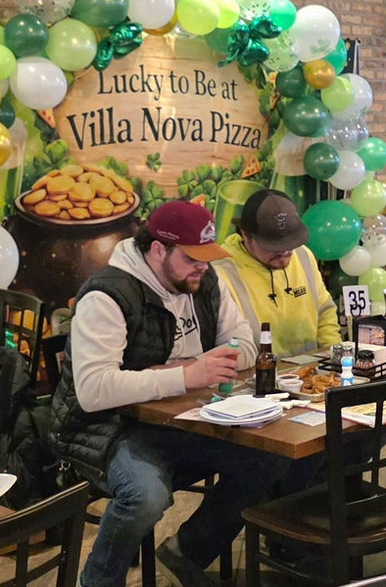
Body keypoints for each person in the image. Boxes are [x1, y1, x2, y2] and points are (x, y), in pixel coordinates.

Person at [51, 200, 288, 587]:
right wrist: (187, 374)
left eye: (208, 257)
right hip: (105, 428)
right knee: (145, 496)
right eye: (194, 258)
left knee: (269, 457)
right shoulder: (107, 296)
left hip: (186, 419)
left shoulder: (204, 282)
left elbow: (245, 343)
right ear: (158, 249)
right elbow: (93, 391)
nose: (204, 267)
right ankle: (96, 582)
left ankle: (186, 553)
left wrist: (197, 367)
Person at [214, 189, 340, 358]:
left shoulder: (303, 254)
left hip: (311, 374)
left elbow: (324, 310)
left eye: (290, 241)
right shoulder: (221, 273)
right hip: (256, 378)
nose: (285, 251)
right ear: (245, 235)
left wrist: (333, 357)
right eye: (273, 245)